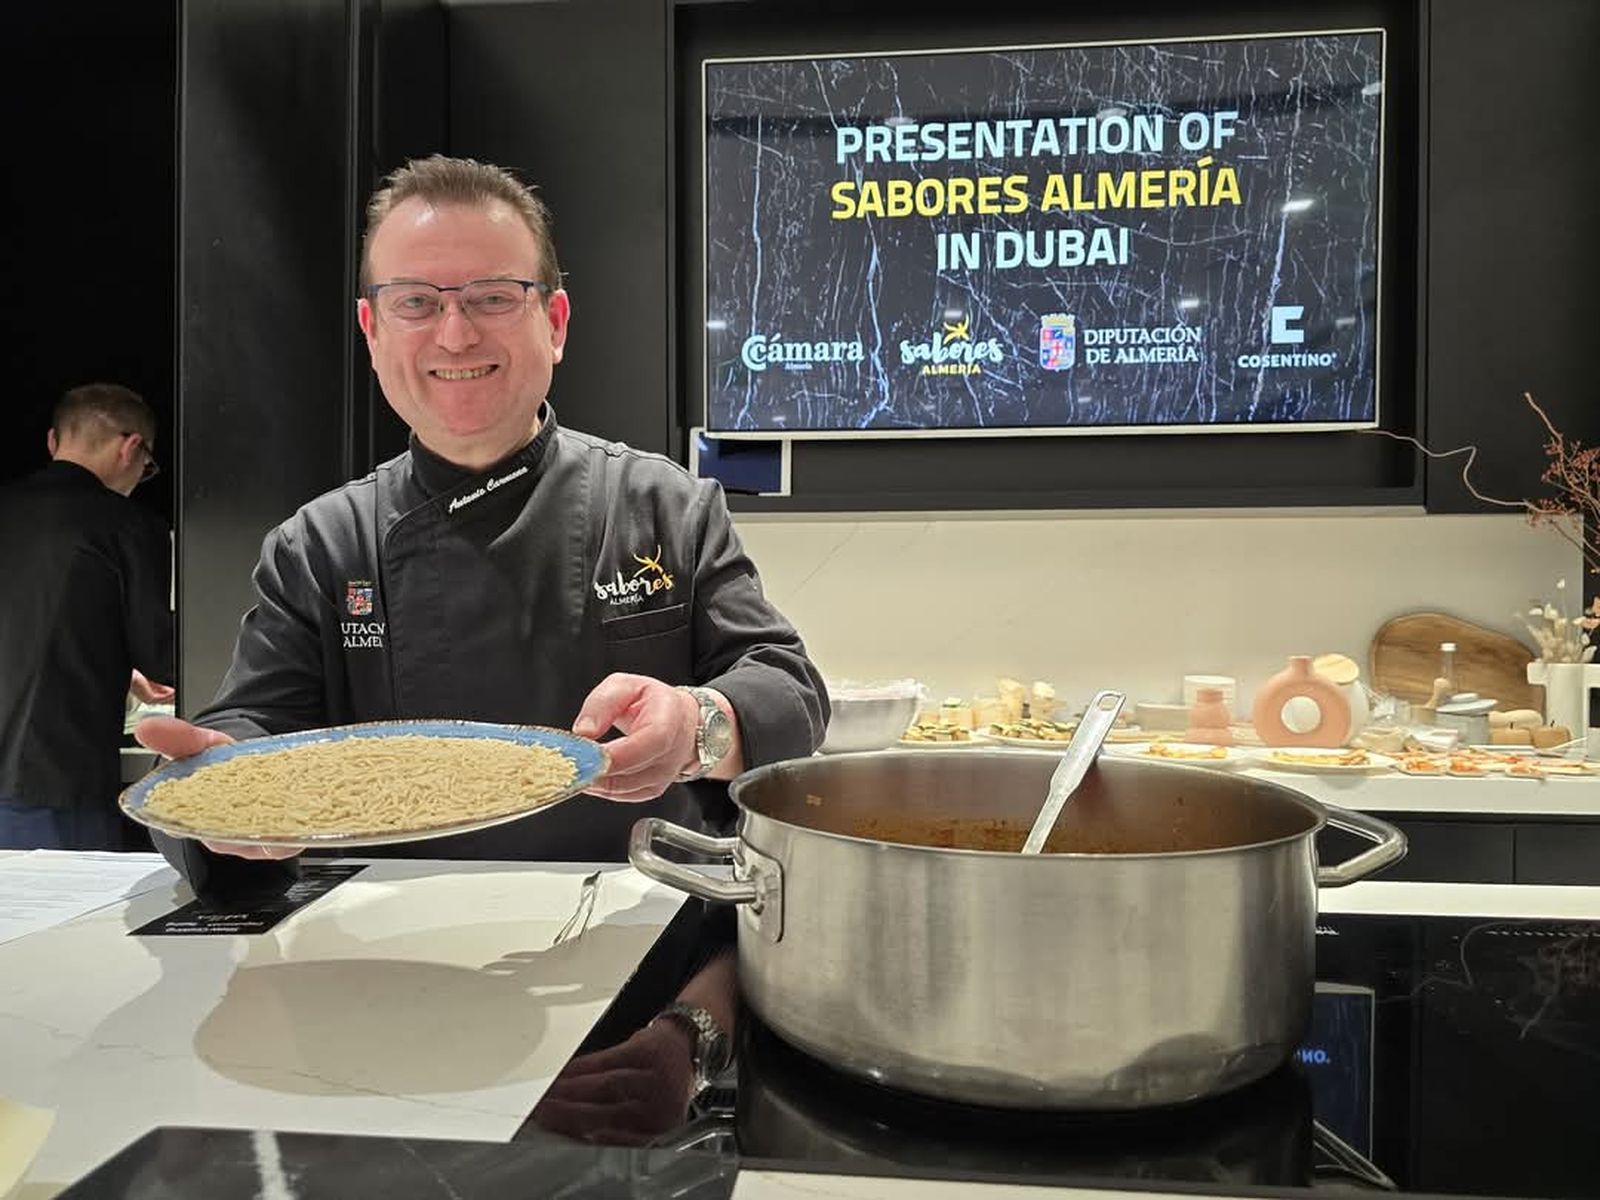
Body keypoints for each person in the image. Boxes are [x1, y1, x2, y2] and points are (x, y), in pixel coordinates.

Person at [136, 154, 829, 1140]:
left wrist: (697, 722)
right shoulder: (322, 545)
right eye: (417, 302)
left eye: (493, 297)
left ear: (553, 320)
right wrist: (227, 793)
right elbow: (253, 731)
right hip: (379, 1013)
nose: (455, 332)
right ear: (373, 331)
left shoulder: (664, 506)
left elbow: (788, 691)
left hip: (641, 1010)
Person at [0, 383, 175, 850]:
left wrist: (119, 665)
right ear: (132, 449)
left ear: (54, 443)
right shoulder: (130, 527)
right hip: (53, 781)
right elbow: (162, 654)